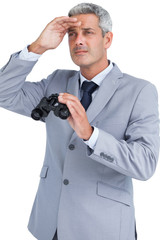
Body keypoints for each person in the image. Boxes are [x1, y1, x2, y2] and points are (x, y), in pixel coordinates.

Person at [0, 2, 159, 240]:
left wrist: (91, 134)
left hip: (102, 227)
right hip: (50, 222)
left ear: (107, 39)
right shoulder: (56, 80)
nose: (78, 41)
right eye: (72, 34)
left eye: (88, 32)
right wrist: (37, 47)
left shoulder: (140, 91)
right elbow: (4, 93)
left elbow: (145, 164)